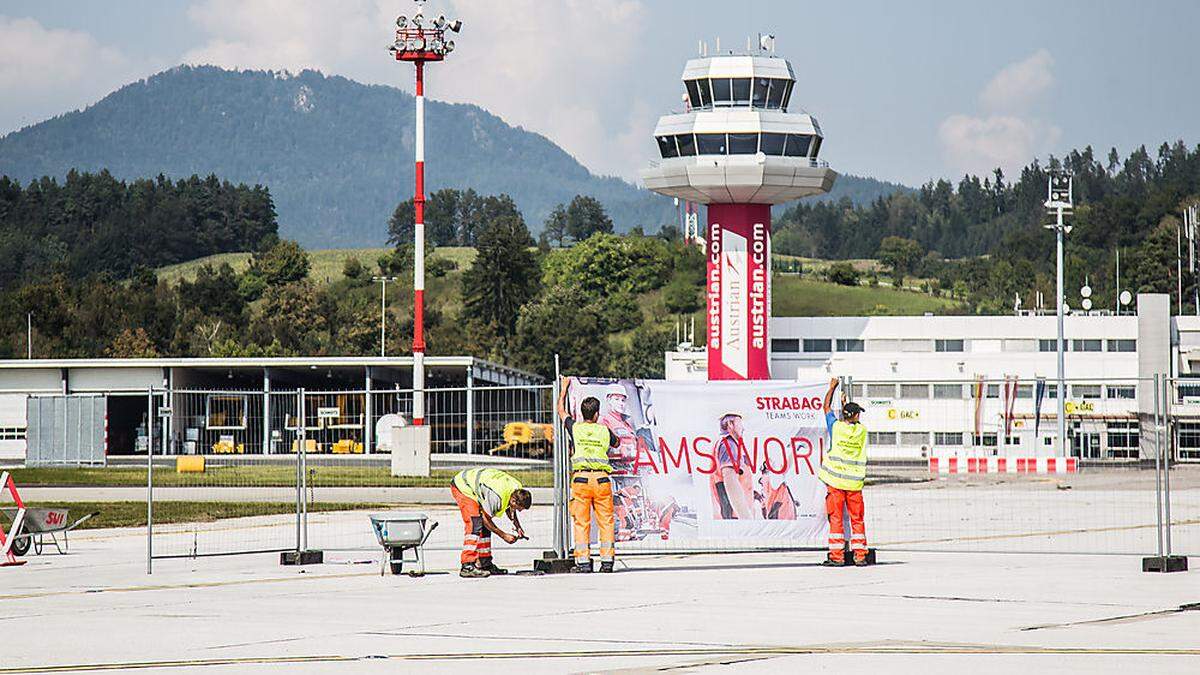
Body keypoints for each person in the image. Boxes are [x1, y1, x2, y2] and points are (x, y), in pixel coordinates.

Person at [557, 378, 620, 573]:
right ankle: (607, 562)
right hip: (601, 480)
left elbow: (561, 411)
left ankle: (583, 563)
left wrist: (564, 389)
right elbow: (616, 443)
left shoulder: (575, 427)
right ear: (597, 413)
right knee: (606, 521)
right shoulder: (604, 430)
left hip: (581, 480)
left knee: (581, 522)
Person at [819, 377, 869, 566]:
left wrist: (831, 388)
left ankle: (837, 556)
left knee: (836, 520)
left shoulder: (836, 427)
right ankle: (860, 556)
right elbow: (852, 423)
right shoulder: (862, 431)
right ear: (856, 416)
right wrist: (844, 404)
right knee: (857, 520)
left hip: (836, 483)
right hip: (854, 484)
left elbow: (826, 408)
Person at [450, 467, 533, 578]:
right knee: (474, 523)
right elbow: (485, 518)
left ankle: (485, 563)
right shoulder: (497, 497)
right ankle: (467, 565)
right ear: (514, 501)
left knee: (484, 526)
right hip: (463, 486)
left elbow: (509, 507)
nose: (519, 511)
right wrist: (503, 535)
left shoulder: (516, 489)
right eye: (519, 508)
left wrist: (517, 526)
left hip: (477, 484)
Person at [710, 413, 757, 520]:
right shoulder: (729, 444)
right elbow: (731, 483)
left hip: (730, 515)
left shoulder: (723, 443)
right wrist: (746, 519)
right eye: (740, 423)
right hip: (736, 517)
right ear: (730, 424)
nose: (743, 428)